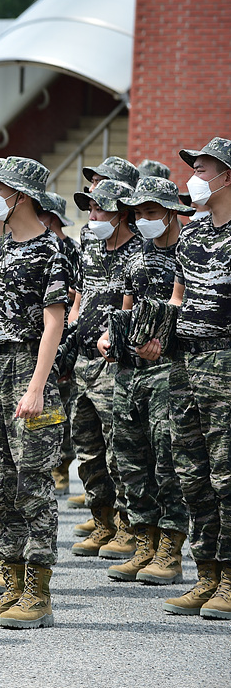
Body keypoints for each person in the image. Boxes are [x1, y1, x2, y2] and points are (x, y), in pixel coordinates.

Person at [0, 156, 69, 630]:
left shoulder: (53, 250)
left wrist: (36, 388)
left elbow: (54, 325)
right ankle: (10, 583)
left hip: (30, 370)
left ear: (20, 196)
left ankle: (38, 592)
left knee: (33, 485)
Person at [145, 137, 231, 619]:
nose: (195, 176)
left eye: (204, 168)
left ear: (227, 177)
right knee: (192, 475)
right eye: (194, 167)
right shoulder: (194, 236)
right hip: (183, 364)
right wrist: (158, 330)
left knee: (227, 476)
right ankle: (207, 575)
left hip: (225, 364)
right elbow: (179, 297)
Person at [97, 176, 191, 586]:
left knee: (167, 460)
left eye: (152, 212)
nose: (145, 220)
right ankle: (144, 540)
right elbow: (125, 307)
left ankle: (170, 548)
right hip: (129, 371)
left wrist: (162, 337)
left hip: (169, 371)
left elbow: (183, 308)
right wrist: (108, 336)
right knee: (130, 460)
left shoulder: (188, 252)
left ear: (171, 211)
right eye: (138, 213)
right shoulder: (137, 256)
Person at [68, 179, 140, 558]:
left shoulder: (137, 252)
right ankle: (103, 523)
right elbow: (80, 295)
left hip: (115, 367)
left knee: (120, 452)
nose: (92, 216)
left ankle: (130, 529)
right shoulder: (89, 244)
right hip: (83, 362)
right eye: (90, 208)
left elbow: (133, 310)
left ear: (121, 213)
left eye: (100, 209)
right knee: (88, 450)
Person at [38, 192, 80, 497]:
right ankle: (47, 464)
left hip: (65, 337)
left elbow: (79, 289)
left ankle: (61, 466)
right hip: (39, 337)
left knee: (63, 404)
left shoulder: (69, 250)